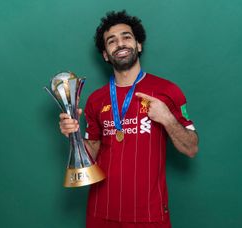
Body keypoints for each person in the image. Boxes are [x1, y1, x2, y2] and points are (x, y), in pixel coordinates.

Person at [59, 10, 198, 228]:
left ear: (138, 45)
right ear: (105, 54)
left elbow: (191, 148)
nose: (120, 44)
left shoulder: (167, 90)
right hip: (100, 211)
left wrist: (167, 118)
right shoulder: (96, 99)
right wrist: (73, 134)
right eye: (111, 41)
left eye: (126, 37)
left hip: (149, 214)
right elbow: (92, 152)